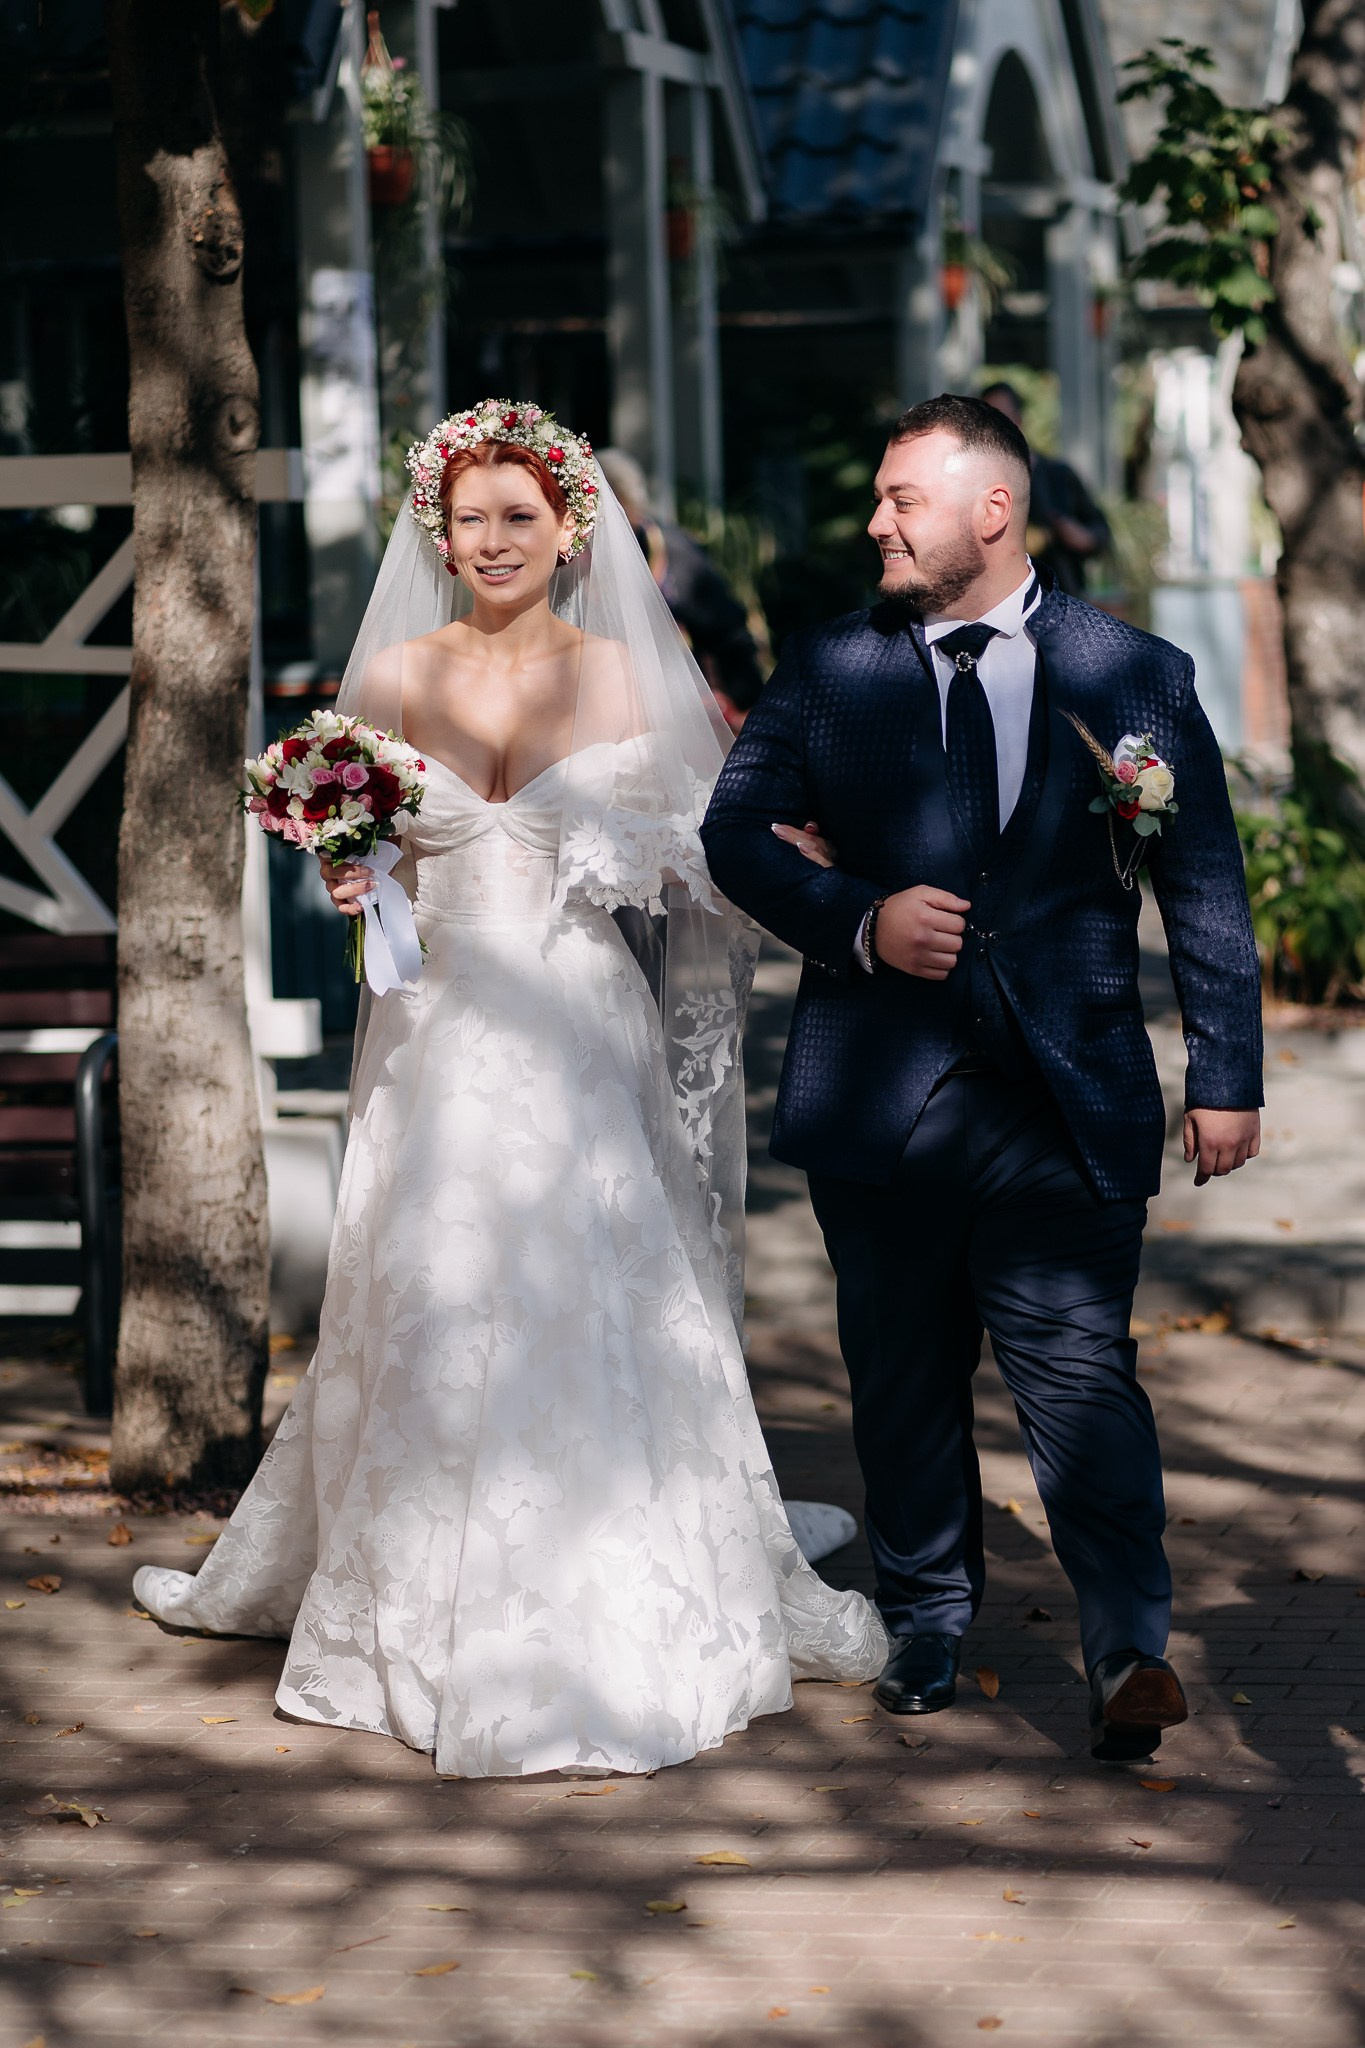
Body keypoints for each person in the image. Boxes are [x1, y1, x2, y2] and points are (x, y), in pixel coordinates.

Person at [132, 401, 887, 1780]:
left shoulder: (623, 677)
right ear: (437, 529)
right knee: (432, 1282)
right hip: (431, 1026)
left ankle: (604, 1589)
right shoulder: (394, 672)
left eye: (517, 517)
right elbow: (363, 847)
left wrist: (830, 889)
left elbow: (705, 857)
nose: (491, 540)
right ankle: (419, 1599)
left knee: (592, 1282)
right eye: (468, 517)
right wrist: (350, 874)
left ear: (567, 528)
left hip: (578, 1027)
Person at [700, 393, 1262, 1763]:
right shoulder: (832, 665)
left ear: (992, 510)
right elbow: (733, 829)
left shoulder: (1135, 671)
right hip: (881, 1091)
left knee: (1081, 1376)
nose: (876, 523)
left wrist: (1227, 1072)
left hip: (1067, 1091)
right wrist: (858, 917)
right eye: (880, 499)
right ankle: (927, 1618)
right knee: (901, 1375)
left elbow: (1201, 880)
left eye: (902, 499)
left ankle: (1126, 1647)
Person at [596, 447, 765, 730]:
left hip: (684, 712)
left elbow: (727, 631)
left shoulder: (676, 552)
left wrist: (745, 704)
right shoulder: (572, 560)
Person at [981, 380, 1110, 597]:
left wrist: (1081, 536)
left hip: (1060, 597)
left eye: (1001, 417)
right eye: (986, 420)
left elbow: (1100, 529)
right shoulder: (973, 483)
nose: (993, 428)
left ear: (1018, 420)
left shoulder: (1058, 475)